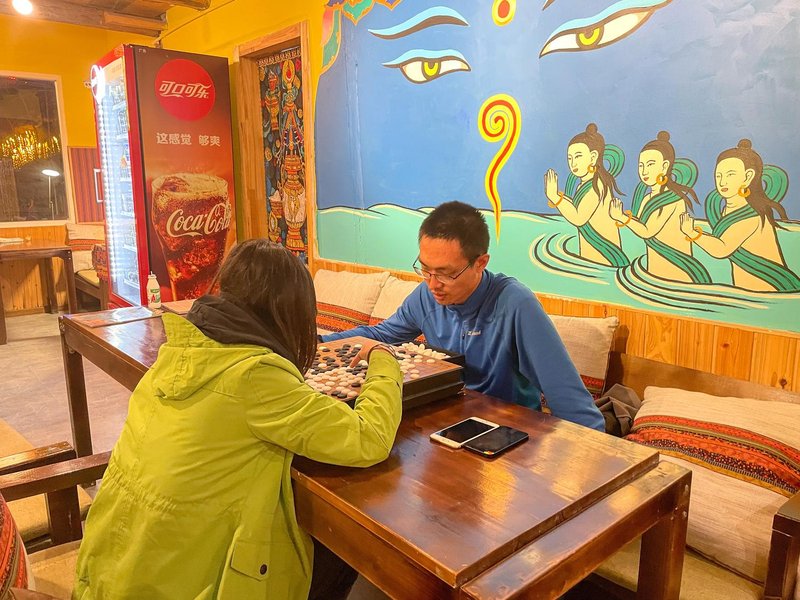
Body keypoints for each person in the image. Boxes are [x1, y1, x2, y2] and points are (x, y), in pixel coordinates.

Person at [73, 239, 402, 599]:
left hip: (113, 572)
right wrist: (384, 359)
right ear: (289, 310)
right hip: (188, 583)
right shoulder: (256, 375)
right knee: (344, 541)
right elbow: (368, 438)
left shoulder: (179, 351)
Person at [323, 201, 604, 431]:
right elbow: (381, 334)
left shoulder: (516, 304)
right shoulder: (426, 296)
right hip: (447, 424)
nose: (433, 284)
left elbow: (571, 402)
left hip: (509, 433)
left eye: (446, 273)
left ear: (481, 263)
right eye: (425, 269)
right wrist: (318, 342)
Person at [679, 139, 800, 292]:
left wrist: (692, 233)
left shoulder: (753, 215)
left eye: (730, 175)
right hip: (745, 293)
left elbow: (722, 249)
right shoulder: (729, 209)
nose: (722, 182)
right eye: (718, 175)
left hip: (770, 289)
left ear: (748, 176)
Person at [609, 131, 711, 284]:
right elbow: (639, 230)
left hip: (677, 275)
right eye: (641, 165)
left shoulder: (673, 199)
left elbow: (647, 231)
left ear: (665, 166)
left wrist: (622, 218)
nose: (644, 171)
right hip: (654, 276)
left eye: (650, 165)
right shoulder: (647, 199)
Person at [544, 123, 628, 268]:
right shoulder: (583, 185)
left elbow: (579, 218)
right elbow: (577, 209)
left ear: (593, 157)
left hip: (606, 259)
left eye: (578, 156)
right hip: (592, 263)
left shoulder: (598, 185)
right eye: (570, 158)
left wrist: (555, 197)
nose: (573, 163)